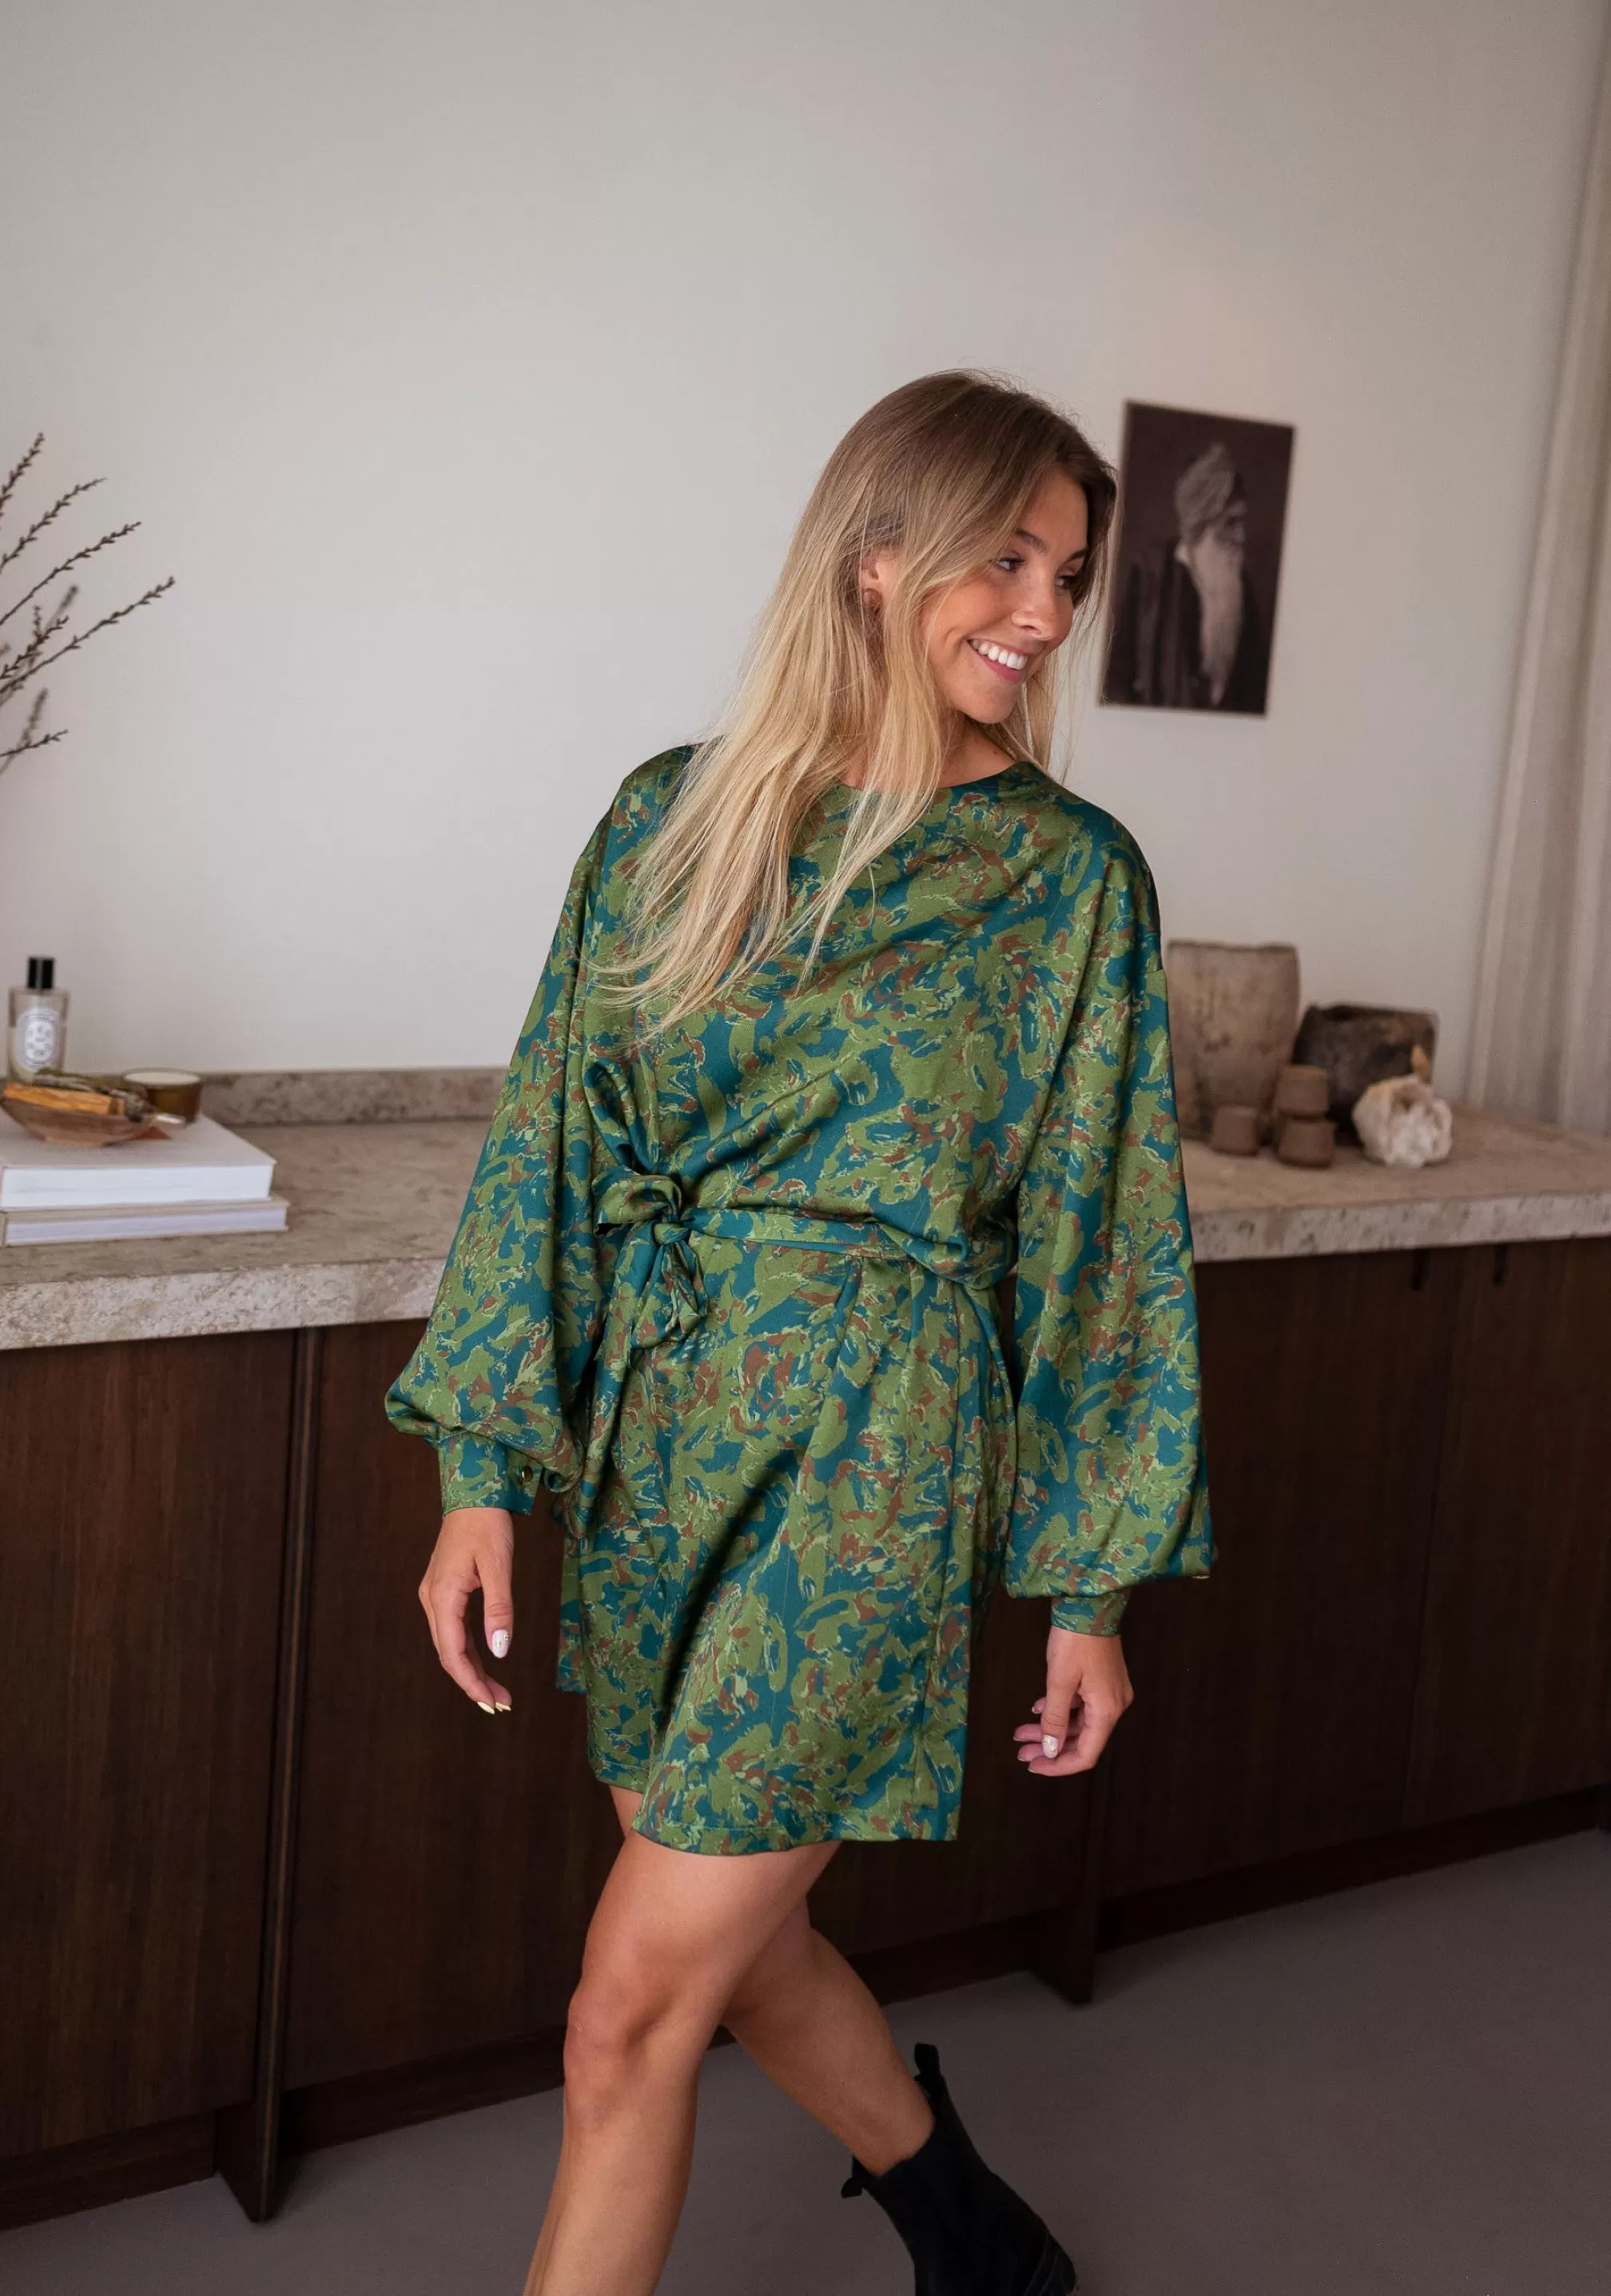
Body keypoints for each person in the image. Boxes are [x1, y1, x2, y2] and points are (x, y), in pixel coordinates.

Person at [388, 370, 1212, 2295]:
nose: (1045, 608)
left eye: (1071, 574)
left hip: (869, 1463)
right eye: (1010, 557)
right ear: (877, 554)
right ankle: (975, 2232)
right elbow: (552, 1144)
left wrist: (1088, 1586)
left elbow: (1102, 1245)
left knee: (625, 2009)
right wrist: (481, 1471)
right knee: (738, 1952)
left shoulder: (1069, 879)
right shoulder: (672, 818)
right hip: (664, 1448)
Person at [1104, 437, 1270, 711]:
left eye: (1242, 521)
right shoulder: (1148, 573)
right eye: (1231, 522)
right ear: (1202, 522)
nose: (1242, 535)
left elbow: (1255, 687)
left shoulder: (1241, 585)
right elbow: (1115, 677)